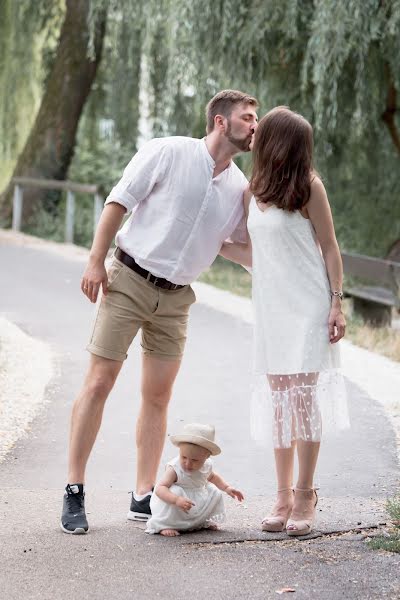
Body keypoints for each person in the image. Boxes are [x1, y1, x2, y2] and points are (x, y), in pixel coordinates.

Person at [60, 89, 258, 534]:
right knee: (99, 382)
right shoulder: (169, 152)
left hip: (176, 299)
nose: (255, 126)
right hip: (127, 278)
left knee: (157, 396)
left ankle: (144, 494)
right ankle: (74, 489)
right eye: (248, 118)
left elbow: (238, 247)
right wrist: (95, 260)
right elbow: (120, 200)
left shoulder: (239, 188)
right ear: (221, 122)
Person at [220, 106, 349, 537]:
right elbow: (256, 256)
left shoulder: (309, 187)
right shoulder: (250, 191)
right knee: (278, 403)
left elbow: (330, 248)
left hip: (309, 305)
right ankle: (281, 495)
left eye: (263, 129)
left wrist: (337, 303)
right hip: (270, 308)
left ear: (279, 140)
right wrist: (212, 245)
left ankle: (305, 493)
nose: (254, 133)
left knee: (302, 401)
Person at [145, 423, 244, 536]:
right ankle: (166, 525)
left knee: (215, 492)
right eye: (184, 457)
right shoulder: (175, 468)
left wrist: (227, 488)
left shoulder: (206, 465)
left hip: (196, 498)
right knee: (175, 490)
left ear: (206, 457)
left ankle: (202, 521)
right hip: (177, 501)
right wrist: (176, 499)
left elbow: (212, 477)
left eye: (195, 460)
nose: (188, 463)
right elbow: (160, 488)